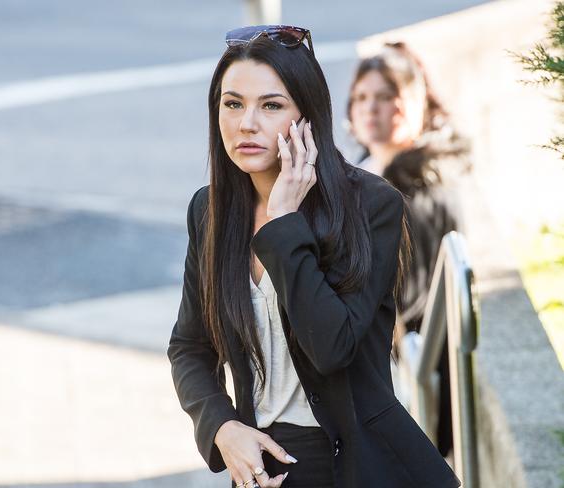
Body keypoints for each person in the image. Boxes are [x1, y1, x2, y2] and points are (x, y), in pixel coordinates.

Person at [168, 25, 461, 488]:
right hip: (264, 463)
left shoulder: (371, 206)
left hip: (358, 463)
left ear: (309, 116)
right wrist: (223, 428)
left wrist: (285, 223)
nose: (247, 123)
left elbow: (332, 348)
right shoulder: (210, 210)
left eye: (271, 105)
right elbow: (189, 347)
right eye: (232, 103)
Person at [345, 41, 471, 459]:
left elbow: (410, 292)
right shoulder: (363, 170)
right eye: (361, 97)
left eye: (386, 96)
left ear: (415, 102)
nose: (371, 108)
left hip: (408, 365)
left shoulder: (421, 182)